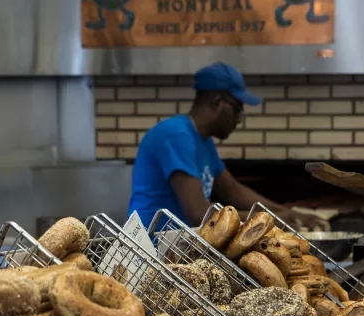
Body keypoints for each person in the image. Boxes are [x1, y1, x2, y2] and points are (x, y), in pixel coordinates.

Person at [128, 62, 327, 230]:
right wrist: (269, 220)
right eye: (237, 108)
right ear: (216, 103)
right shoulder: (176, 136)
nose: (239, 119)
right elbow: (197, 213)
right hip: (151, 252)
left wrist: (287, 213)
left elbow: (232, 190)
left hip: (176, 248)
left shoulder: (202, 140)